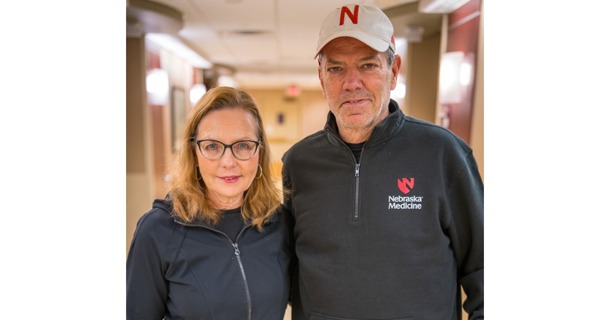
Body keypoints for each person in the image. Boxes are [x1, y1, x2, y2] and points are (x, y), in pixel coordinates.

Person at [281, 4, 483, 320]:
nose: (351, 83)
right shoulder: (298, 163)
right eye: (335, 69)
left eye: (368, 65)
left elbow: (485, 270)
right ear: (321, 77)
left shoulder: (443, 154)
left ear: (394, 71)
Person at [127, 86, 293, 319]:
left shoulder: (278, 223)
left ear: (259, 152)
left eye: (243, 145)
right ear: (194, 153)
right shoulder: (157, 232)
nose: (228, 161)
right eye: (212, 146)